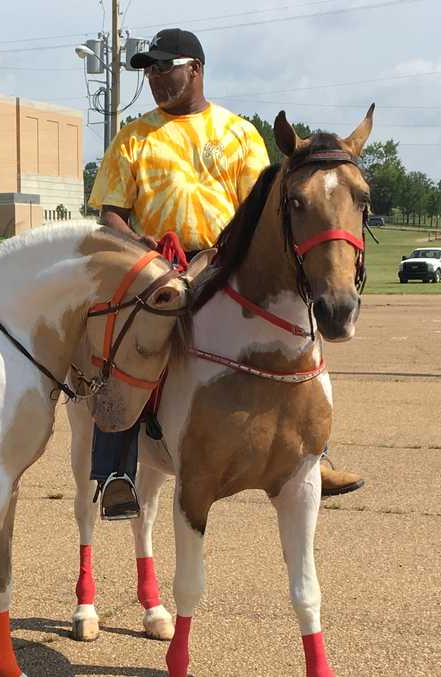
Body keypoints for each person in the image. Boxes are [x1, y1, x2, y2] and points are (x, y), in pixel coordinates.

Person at [87, 28, 364, 520]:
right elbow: (111, 214)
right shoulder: (133, 136)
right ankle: (115, 471)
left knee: (295, 326)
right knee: (127, 345)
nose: (153, 77)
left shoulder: (238, 133)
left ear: (194, 69)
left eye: (162, 67)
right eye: (148, 69)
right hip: (158, 265)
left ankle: (313, 452)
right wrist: (137, 244)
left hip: (226, 260)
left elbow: (260, 211)